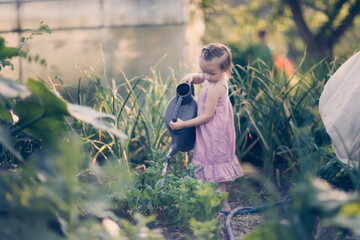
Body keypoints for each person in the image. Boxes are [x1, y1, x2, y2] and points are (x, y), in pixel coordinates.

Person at [170, 43, 243, 212]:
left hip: (214, 131)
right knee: (206, 159)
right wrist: (191, 77)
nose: (207, 76)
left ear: (225, 69)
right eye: (204, 71)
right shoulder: (212, 76)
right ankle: (204, 196)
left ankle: (223, 203)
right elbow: (201, 77)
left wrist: (184, 124)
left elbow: (207, 116)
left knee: (215, 160)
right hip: (209, 129)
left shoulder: (217, 86)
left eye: (211, 73)